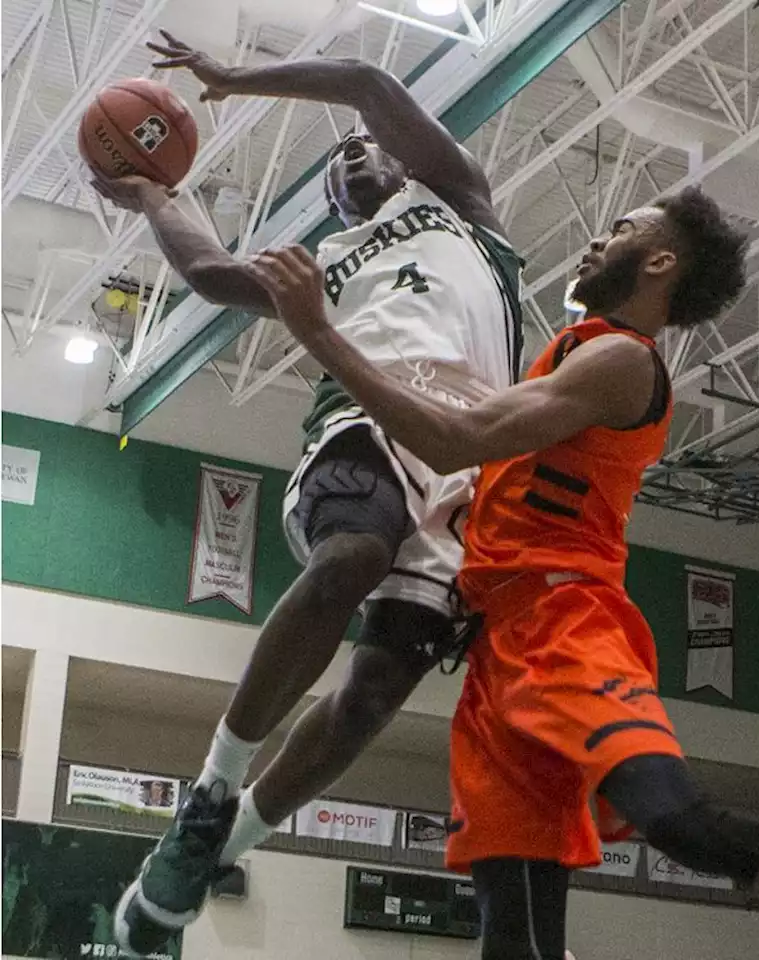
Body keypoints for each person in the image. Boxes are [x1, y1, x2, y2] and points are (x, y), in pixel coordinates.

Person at [247, 186, 759, 960]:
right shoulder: (568, 355)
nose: (594, 238)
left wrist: (318, 329)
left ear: (659, 261)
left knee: (683, 824)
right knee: (512, 928)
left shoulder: (621, 361)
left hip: (568, 627)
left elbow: (452, 440)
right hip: (499, 648)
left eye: (621, 227)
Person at [92, 31, 524, 955]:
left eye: (360, 148)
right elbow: (209, 272)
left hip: (470, 460)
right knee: (353, 555)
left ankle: (217, 846)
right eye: (337, 166)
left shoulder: (466, 208)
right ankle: (213, 785)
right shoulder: (317, 268)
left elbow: (367, 83)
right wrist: (153, 197)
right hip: (367, 418)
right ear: (329, 204)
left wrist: (233, 78)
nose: (353, 157)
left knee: (375, 694)